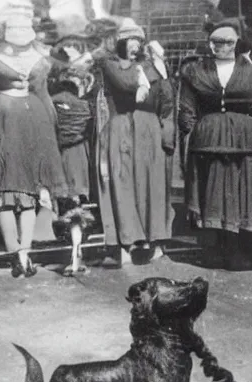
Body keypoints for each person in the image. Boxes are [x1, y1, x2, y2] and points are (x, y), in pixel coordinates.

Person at [0, 0, 73, 278]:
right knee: (5, 190)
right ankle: (15, 252)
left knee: (29, 192)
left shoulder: (41, 54)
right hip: (2, 123)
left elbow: (43, 92)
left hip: (35, 124)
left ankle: (26, 253)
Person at [179, 18, 252, 271]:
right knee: (212, 194)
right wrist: (192, 134)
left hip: (247, 141)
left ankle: (238, 251)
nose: (221, 46)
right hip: (209, 141)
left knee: (243, 193)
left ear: (237, 43)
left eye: (228, 42)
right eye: (216, 41)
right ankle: (213, 250)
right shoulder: (196, 70)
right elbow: (186, 108)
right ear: (209, 43)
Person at [93, 18, 175, 266]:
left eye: (139, 40)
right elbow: (126, 84)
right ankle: (128, 243)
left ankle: (154, 241)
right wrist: (149, 67)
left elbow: (166, 99)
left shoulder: (150, 65)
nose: (136, 45)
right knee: (123, 184)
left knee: (151, 186)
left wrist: (160, 68)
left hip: (149, 130)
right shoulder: (112, 64)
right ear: (120, 42)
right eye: (130, 40)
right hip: (122, 128)